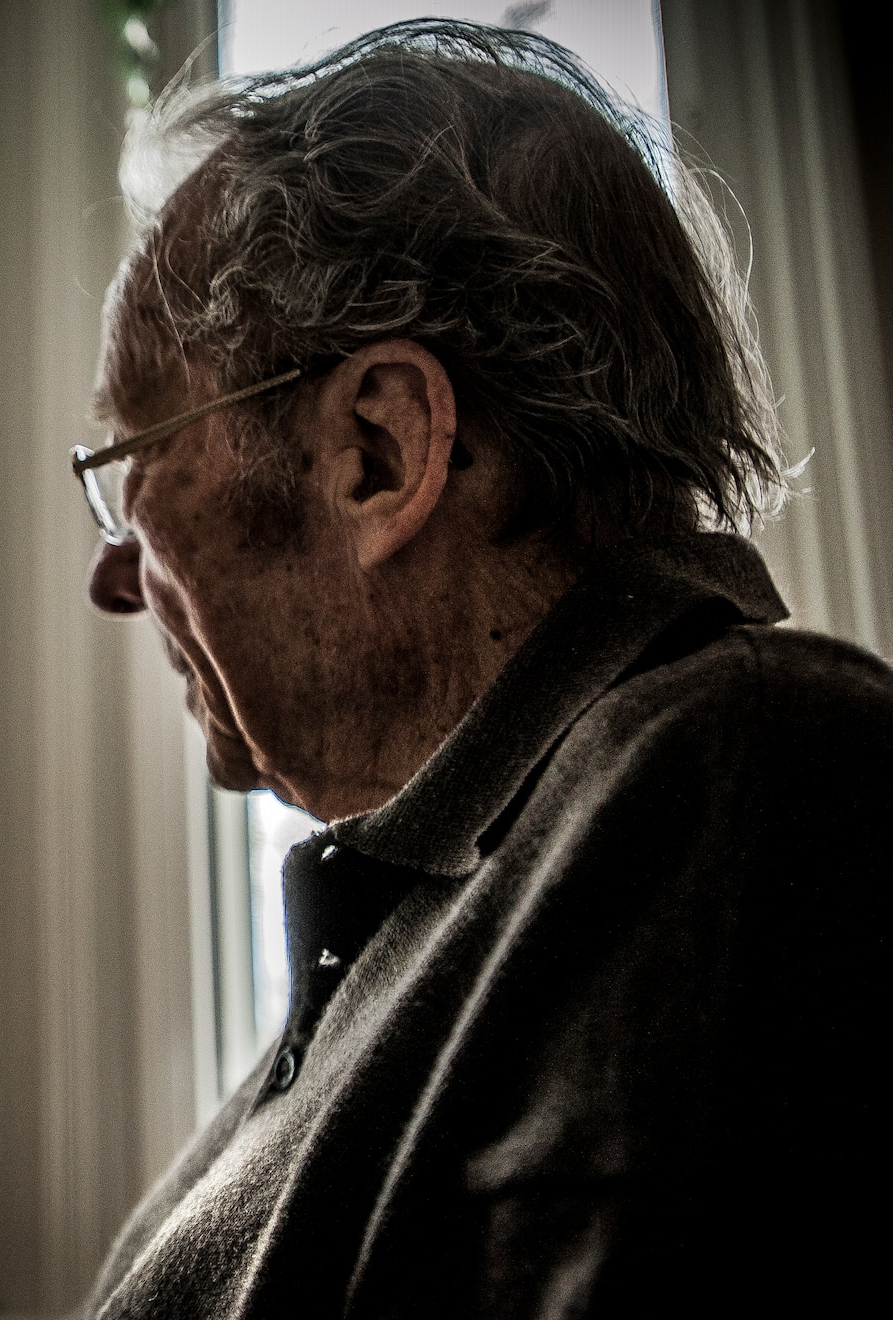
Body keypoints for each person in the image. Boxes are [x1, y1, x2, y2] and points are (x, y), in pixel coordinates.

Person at [75, 20, 887, 1318]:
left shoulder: (742, 779)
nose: (114, 575)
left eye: (138, 462)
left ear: (382, 452)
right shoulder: (447, 895)